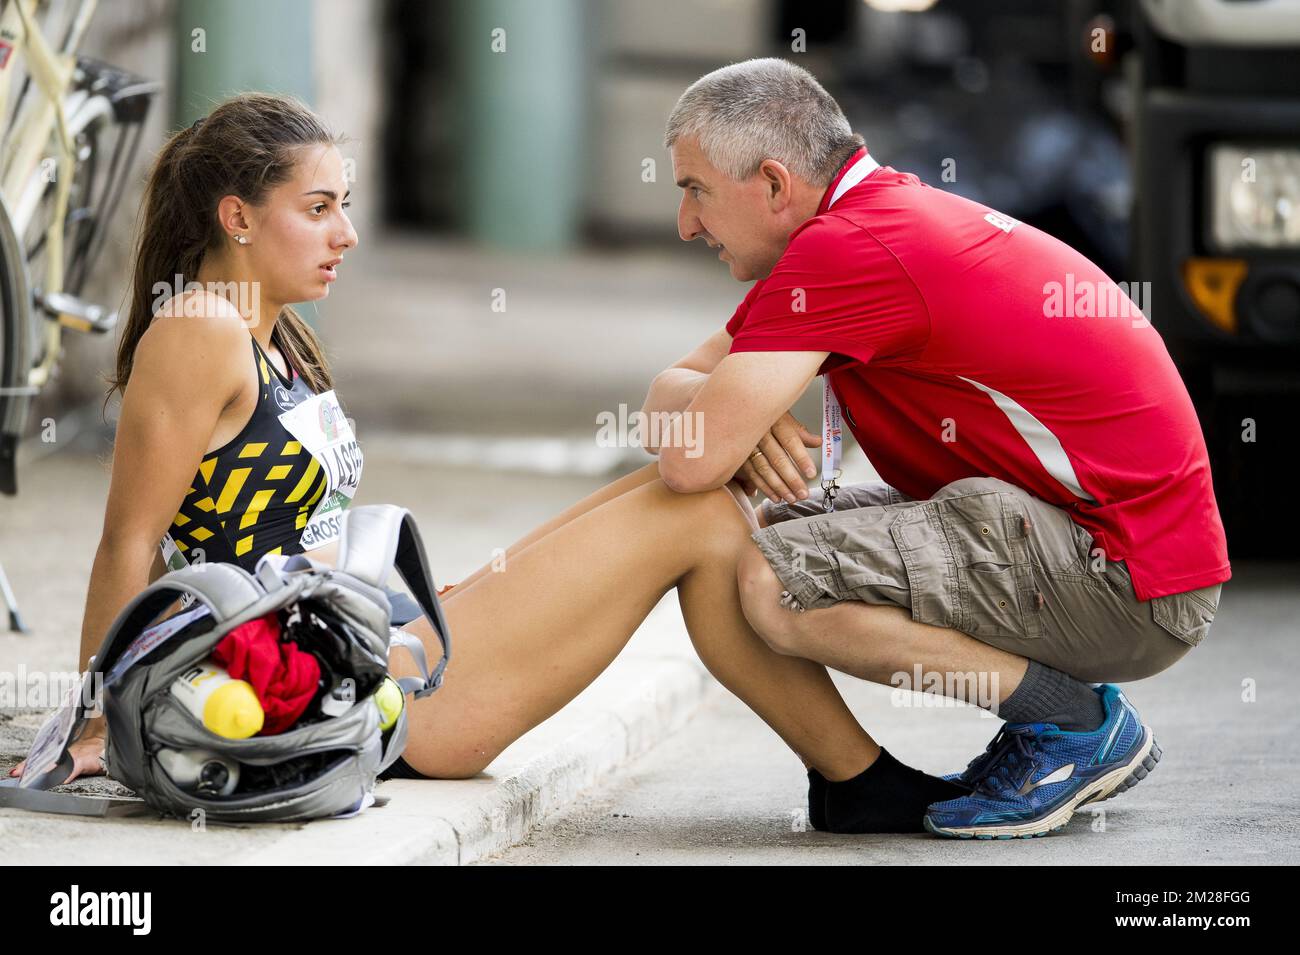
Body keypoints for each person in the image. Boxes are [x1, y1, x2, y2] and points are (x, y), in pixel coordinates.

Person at [10, 92, 965, 834]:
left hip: (353, 643)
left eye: (345, 205)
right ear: (239, 217)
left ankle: (854, 781)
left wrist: (447, 595)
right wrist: (99, 724)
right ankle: (860, 780)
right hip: (294, 690)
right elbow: (127, 542)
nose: (345, 233)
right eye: (317, 209)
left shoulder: (276, 334)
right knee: (699, 507)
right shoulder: (199, 329)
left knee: (690, 493)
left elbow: (300, 528)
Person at [647, 58, 1231, 837]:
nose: (687, 224)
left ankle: (1076, 726)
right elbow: (674, 393)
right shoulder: (865, 224)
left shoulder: (850, 249)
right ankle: (1016, 734)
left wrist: (724, 430)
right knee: (747, 542)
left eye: (695, 190)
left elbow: (688, 457)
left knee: (776, 580)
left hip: (1128, 576)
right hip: (1092, 542)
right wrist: (724, 424)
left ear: (775, 184)